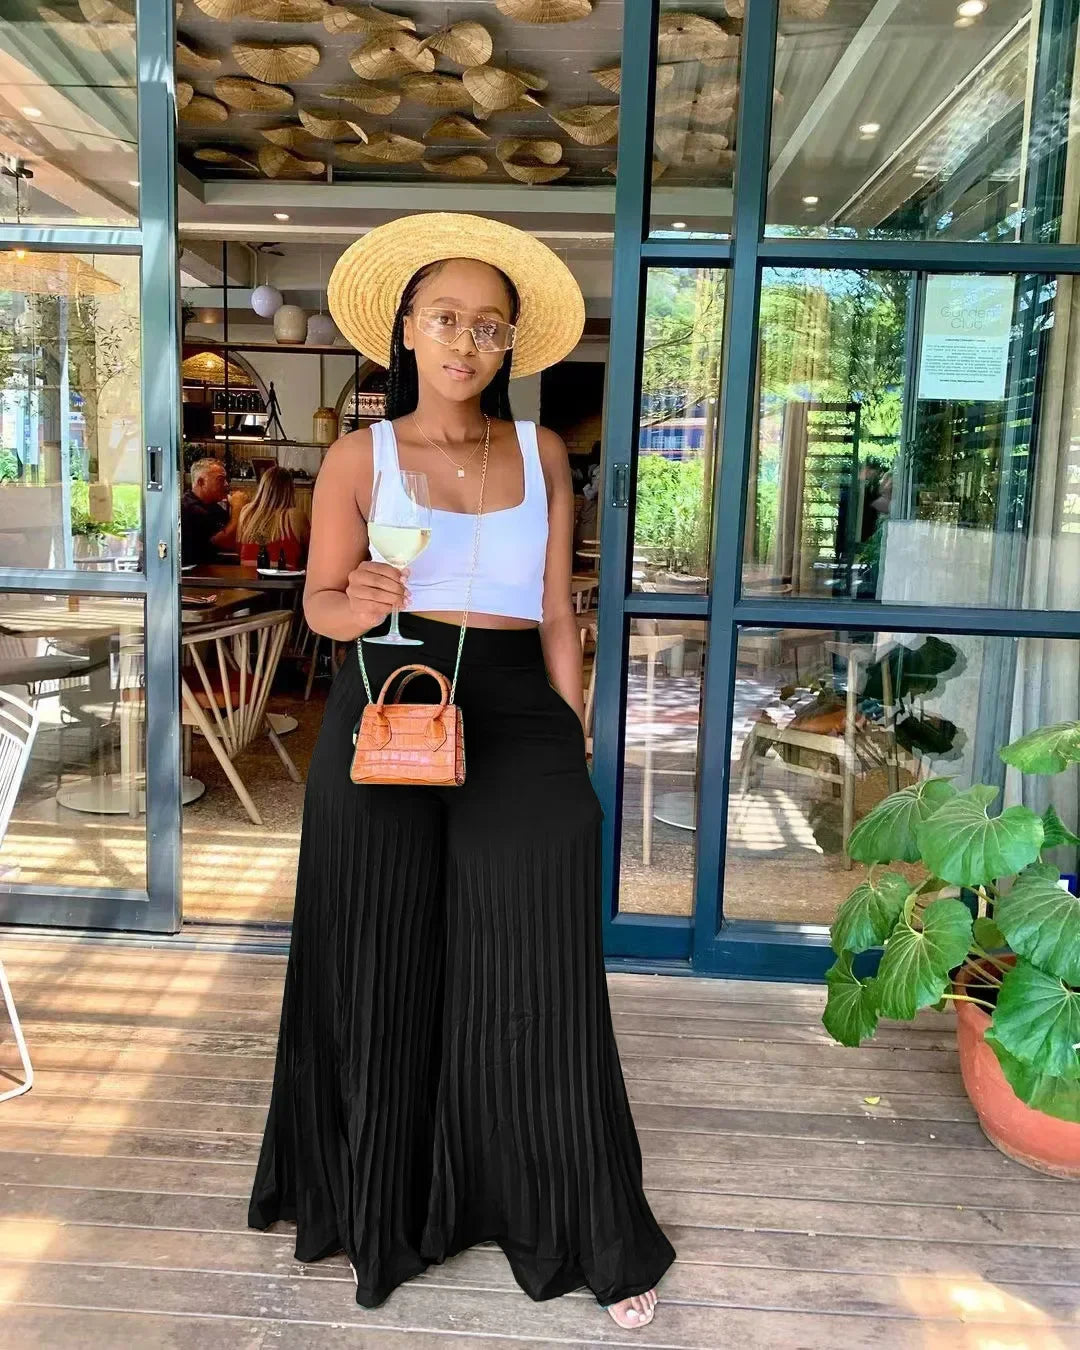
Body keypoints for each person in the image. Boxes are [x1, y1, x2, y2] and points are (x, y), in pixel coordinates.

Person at [247, 213, 675, 1330]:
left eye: (488, 326)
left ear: (509, 347)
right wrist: (366, 598)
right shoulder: (358, 456)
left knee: (535, 956)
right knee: (378, 951)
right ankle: (375, 1204)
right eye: (446, 318)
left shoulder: (539, 453)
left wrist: (572, 732)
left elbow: (556, 611)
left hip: (517, 712)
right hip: (387, 699)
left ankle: (577, 1214)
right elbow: (321, 604)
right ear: (406, 326)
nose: (464, 341)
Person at [236, 465, 310, 569]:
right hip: (283, 583)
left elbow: (239, 550)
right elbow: (311, 555)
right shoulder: (295, 516)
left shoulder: (246, 512)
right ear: (290, 490)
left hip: (247, 582)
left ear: (262, 487)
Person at [181, 457, 244, 565]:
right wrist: (237, 509)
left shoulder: (215, 508)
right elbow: (225, 542)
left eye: (226, 480)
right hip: (197, 575)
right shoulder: (188, 509)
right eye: (220, 480)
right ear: (201, 482)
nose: (226, 484)